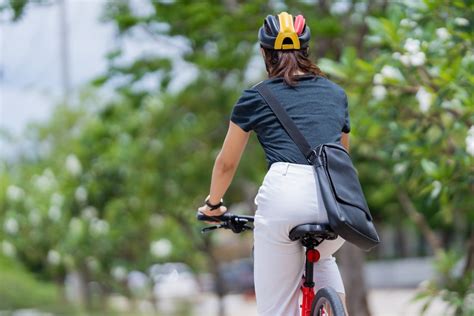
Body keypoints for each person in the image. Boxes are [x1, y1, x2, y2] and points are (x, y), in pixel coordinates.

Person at [198, 12, 350, 316]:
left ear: (264, 53)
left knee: (276, 310)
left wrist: (213, 206)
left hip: (285, 195)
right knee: (323, 257)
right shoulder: (336, 95)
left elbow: (227, 164)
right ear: (306, 51)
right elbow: (341, 158)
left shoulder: (255, 97)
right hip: (337, 200)